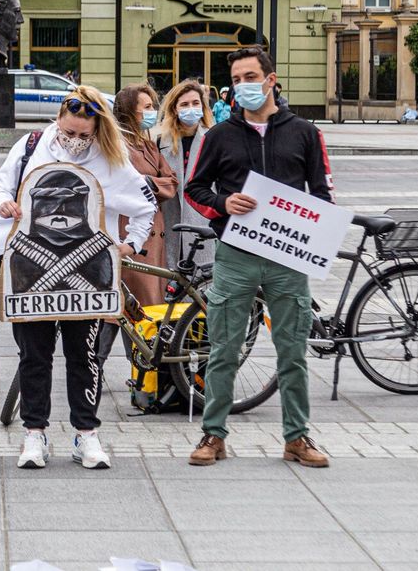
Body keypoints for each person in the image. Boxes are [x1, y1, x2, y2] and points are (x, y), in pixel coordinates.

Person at [0, 85, 155, 470]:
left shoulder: (112, 159)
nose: (75, 141)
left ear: (98, 130)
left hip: (89, 274)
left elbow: (145, 204)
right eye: (68, 132)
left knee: (85, 357)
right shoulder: (33, 145)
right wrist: (3, 202)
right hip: (31, 274)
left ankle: (86, 434)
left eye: (84, 135)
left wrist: (130, 245)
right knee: (34, 355)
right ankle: (35, 434)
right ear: (57, 122)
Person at [184, 47, 333, 468]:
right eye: (237, 79)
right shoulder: (219, 136)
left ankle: (297, 437)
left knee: (292, 351)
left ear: (271, 80)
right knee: (224, 349)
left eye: (251, 76)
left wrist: (313, 238)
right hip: (237, 254)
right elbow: (195, 188)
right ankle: (213, 436)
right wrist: (223, 204)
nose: (243, 86)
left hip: (287, 256)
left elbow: (321, 193)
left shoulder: (304, 131)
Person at [113, 84, 177, 307]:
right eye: (147, 107)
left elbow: (172, 181)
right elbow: (125, 185)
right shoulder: (118, 146)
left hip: (153, 233)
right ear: (130, 111)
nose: (152, 112)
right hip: (132, 232)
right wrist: (154, 183)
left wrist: (148, 181)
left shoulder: (148, 145)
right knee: (133, 305)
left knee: (148, 304)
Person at [155, 79, 216, 270]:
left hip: (203, 223)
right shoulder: (161, 142)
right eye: (184, 104)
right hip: (170, 223)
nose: (191, 108)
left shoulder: (214, 139)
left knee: (202, 285)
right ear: (174, 109)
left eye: (195, 103)